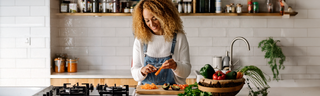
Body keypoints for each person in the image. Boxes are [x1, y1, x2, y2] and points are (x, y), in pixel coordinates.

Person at [131, 0, 191, 85]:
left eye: (155, 18)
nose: (152, 24)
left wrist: (176, 66)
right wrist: (142, 71)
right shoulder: (140, 39)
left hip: (172, 92)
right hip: (146, 92)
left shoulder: (179, 37)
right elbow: (134, 72)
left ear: (165, 16)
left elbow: (187, 70)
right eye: (147, 20)